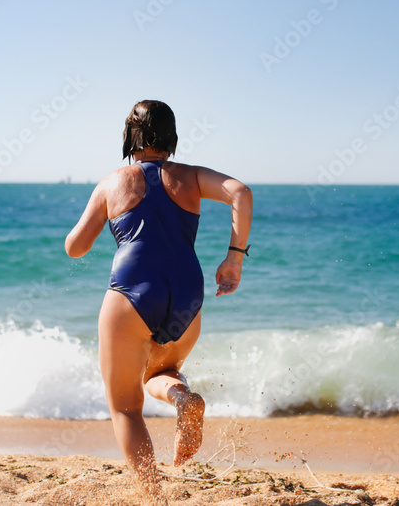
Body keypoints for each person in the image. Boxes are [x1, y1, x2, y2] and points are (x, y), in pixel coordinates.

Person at [64, 99, 253, 501]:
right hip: (188, 293)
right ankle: (182, 397)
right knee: (157, 373)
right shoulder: (192, 176)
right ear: (172, 136)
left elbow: (75, 248)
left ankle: (151, 496)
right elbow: (240, 192)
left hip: (131, 293)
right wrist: (233, 259)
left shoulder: (112, 182)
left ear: (130, 136)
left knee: (126, 408)